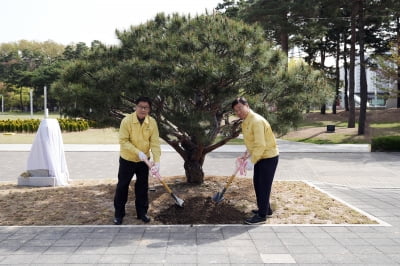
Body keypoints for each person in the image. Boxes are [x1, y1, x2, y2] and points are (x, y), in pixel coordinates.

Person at [113, 96, 161, 224]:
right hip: (127, 159)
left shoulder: (152, 123)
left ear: (149, 109)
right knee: (122, 186)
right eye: (141, 107)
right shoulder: (126, 121)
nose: (143, 110)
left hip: (144, 161)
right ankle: (119, 214)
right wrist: (137, 152)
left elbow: (155, 143)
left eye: (146, 108)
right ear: (136, 107)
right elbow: (123, 141)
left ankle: (142, 213)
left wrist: (157, 162)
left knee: (142, 186)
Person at [231, 97, 279, 225]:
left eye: (240, 108)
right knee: (258, 183)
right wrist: (246, 154)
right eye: (236, 110)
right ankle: (266, 209)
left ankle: (261, 216)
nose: (238, 112)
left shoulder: (256, 121)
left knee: (263, 185)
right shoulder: (246, 121)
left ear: (247, 105)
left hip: (268, 157)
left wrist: (252, 161)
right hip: (259, 156)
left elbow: (261, 145)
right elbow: (251, 142)